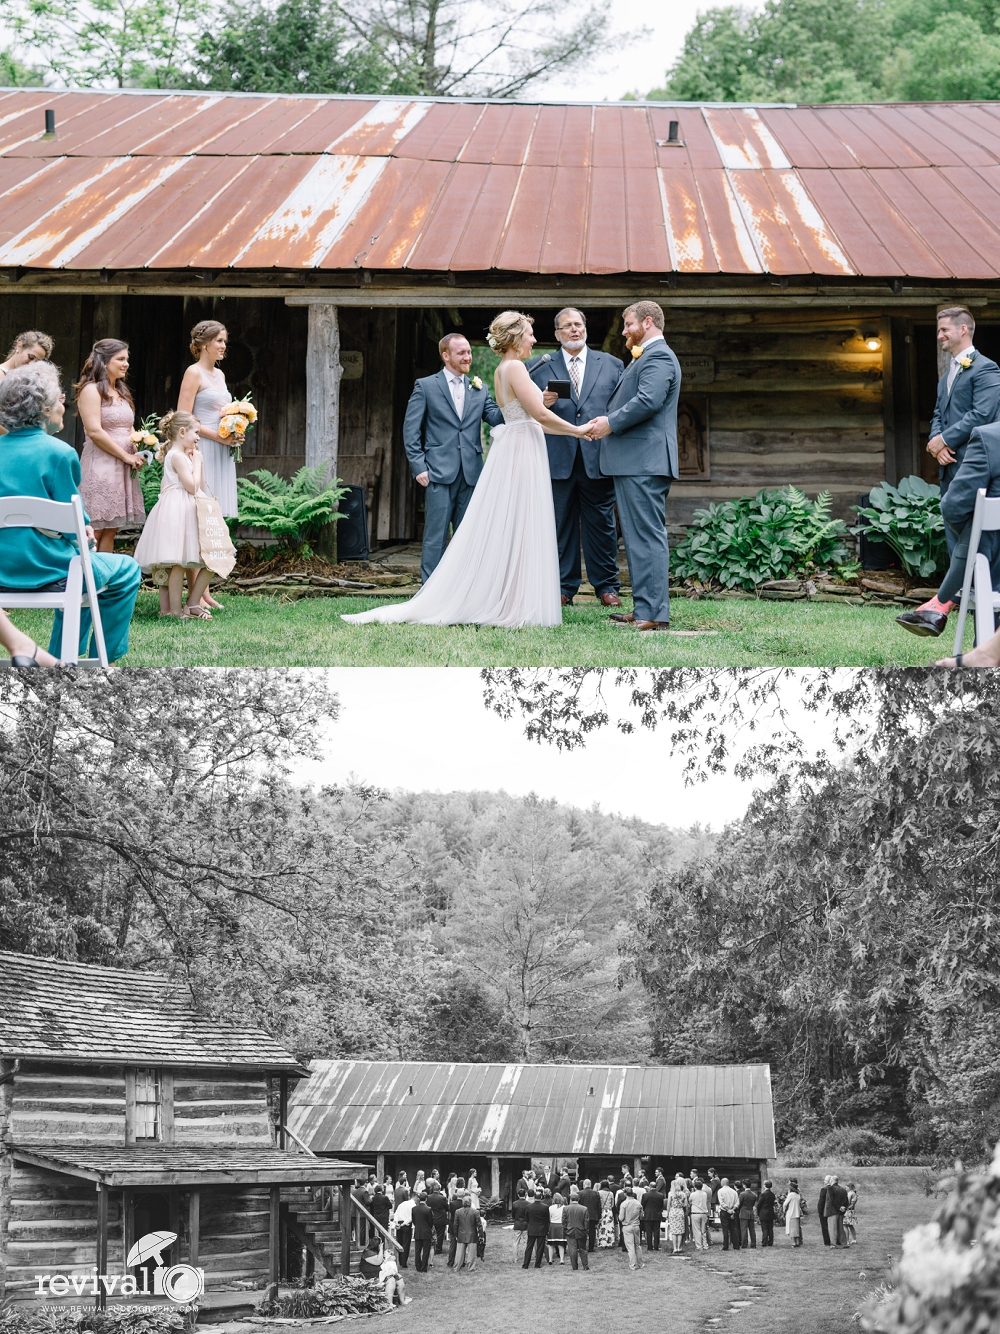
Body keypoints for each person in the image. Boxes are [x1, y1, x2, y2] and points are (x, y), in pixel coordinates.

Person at [342, 312, 595, 629]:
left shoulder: (499, 373)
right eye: (530, 333)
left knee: (512, 525)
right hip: (507, 453)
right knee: (515, 523)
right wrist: (578, 429)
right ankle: (505, 601)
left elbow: (519, 413)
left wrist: (541, 404)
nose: (533, 338)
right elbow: (540, 418)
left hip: (507, 450)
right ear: (516, 337)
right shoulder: (513, 367)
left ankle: (510, 598)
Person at [0, 361, 141, 664]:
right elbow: (74, 527)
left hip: (2, 571)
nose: (64, 406)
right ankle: (100, 658)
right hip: (51, 571)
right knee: (125, 570)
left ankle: (59, 655)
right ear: (44, 410)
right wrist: (86, 531)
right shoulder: (60, 453)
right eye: (60, 400)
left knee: (86, 565)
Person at [897, 307, 1000, 637]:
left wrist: (946, 438)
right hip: (951, 471)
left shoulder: (987, 369)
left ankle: (943, 609)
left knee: (982, 550)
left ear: (964, 330)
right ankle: (952, 615)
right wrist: (934, 442)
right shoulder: (947, 376)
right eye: (938, 330)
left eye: (944, 330)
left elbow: (982, 414)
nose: (939, 335)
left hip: (980, 472)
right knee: (967, 548)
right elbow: (938, 414)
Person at [587, 301, 680, 632]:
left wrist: (609, 423)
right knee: (638, 539)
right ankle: (644, 607)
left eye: (628, 324)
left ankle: (654, 613)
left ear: (648, 322)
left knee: (646, 537)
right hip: (634, 462)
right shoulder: (648, 356)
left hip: (644, 462)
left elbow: (648, 401)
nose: (624, 330)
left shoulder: (659, 356)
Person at [527, 308, 623, 608]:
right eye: (566, 326)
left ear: (585, 329)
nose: (574, 330)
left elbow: (620, 407)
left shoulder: (612, 364)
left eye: (578, 324)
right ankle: (562, 588)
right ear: (556, 334)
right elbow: (523, 411)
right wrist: (539, 401)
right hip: (556, 458)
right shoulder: (537, 366)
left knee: (603, 526)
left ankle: (607, 586)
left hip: (598, 458)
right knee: (559, 526)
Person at [909, 420, 1000, 651]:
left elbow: (954, 506)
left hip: (991, 567)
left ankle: (942, 602)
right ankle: (942, 602)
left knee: (982, 535)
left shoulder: (990, 437)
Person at [132, 411, 216, 620]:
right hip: (178, 512)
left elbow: (200, 487)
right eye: (196, 433)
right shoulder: (177, 456)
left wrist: (200, 463)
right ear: (181, 432)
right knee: (177, 561)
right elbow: (190, 487)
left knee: (208, 559)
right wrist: (196, 462)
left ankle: (190, 604)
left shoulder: (183, 456)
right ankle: (176, 611)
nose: (198, 437)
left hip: (186, 509)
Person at [76, 339, 145, 553]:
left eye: (127, 359)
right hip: (101, 464)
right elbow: (95, 431)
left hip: (123, 466)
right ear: (104, 362)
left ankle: (103, 579)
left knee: (111, 529)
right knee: (94, 528)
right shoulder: (91, 390)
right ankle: (84, 579)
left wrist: (139, 443)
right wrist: (126, 456)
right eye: (121, 359)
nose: (126, 364)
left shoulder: (121, 391)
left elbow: (128, 426)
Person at [522, 1190, 550, 1269]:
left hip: (532, 1228)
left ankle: (525, 1264)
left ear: (534, 1197)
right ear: (541, 1197)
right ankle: (537, 1264)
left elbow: (526, 1218)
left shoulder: (529, 1207)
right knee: (540, 1247)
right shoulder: (545, 1207)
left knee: (529, 1247)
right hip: (541, 1228)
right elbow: (547, 1219)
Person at [619, 1187, 644, 1271]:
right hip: (636, 1226)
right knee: (637, 1245)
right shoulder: (638, 1203)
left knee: (630, 1247)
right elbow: (641, 1216)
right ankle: (640, 1263)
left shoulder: (624, 1204)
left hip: (627, 1226)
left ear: (625, 1194)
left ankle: (633, 1264)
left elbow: (621, 1217)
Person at [563, 1194, 590, 1271]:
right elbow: (586, 1221)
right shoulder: (584, 1208)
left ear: (571, 1199)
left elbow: (564, 1221)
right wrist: (586, 1230)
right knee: (583, 1249)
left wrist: (565, 1230)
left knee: (572, 1250)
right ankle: (585, 1266)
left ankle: (574, 1267)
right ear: (579, 1199)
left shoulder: (566, 1208)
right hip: (581, 1231)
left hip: (570, 1231)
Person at [577, 1178, 601, 1252]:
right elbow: (598, 1206)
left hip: (582, 1215)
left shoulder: (579, 1193)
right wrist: (599, 1216)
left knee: (582, 1231)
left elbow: (578, 1205)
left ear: (584, 1185)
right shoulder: (596, 1193)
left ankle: (582, 1246)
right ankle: (591, 1247)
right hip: (593, 1215)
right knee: (592, 1231)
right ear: (590, 1185)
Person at [412, 1192, 434, 1271]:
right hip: (426, 1232)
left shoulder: (414, 1208)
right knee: (426, 1251)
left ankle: (418, 1266)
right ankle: (424, 1267)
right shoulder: (428, 1209)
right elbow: (431, 1222)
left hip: (418, 1231)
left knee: (417, 1251)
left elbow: (414, 1220)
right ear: (426, 1199)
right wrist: (428, 1228)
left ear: (419, 1199)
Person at [717, 1178, 740, 1251]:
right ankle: (736, 1245)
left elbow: (721, 1202)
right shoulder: (734, 1191)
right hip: (732, 1211)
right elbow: (737, 1202)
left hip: (724, 1211)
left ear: (722, 1183)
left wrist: (727, 1209)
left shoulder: (720, 1191)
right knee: (733, 1229)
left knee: (725, 1229)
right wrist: (733, 1209)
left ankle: (725, 1246)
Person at [427, 1179, 449, 1255]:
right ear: (439, 1189)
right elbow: (447, 1208)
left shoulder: (428, 1197)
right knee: (440, 1234)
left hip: (431, 1218)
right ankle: (438, 1249)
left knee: (431, 1233)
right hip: (440, 1218)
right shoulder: (442, 1198)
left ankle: (430, 1247)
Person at [393, 1191, 414, 1268]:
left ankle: (400, 1261)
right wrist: (402, 1224)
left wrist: (396, 1223)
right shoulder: (413, 1205)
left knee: (400, 1243)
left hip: (399, 1223)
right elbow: (411, 1218)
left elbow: (396, 1214)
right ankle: (404, 1262)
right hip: (406, 1225)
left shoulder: (401, 1204)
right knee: (406, 1244)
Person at [643, 1180, 665, 1251]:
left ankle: (649, 1247)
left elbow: (643, 1205)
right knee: (656, 1231)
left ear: (650, 1186)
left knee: (648, 1231)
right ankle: (656, 1247)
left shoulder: (645, 1195)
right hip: (657, 1214)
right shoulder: (661, 1195)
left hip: (648, 1215)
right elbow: (662, 1205)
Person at [689, 1178, 712, 1251]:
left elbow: (690, 1201)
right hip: (704, 1213)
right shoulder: (704, 1194)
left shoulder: (693, 1194)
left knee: (697, 1230)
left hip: (696, 1213)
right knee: (703, 1230)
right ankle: (705, 1245)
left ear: (695, 1187)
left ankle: (699, 1246)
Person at [665, 1179, 686, 1254]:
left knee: (674, 1231)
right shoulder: (683, 1194)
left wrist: (667, 1214)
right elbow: (685, 1204)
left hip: (673, 1211)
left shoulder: (670, 1194)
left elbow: (668, 1205)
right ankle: (679, 1247)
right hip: (680, 1211)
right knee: (680, 1231)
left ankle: (675, 1248)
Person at [826, 1175, 847, 1247]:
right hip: (841, 1212)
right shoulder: (843, 1189)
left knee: (832, 1228)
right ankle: (844, 1243)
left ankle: (833, 1244)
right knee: (841, 1228)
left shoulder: (830, 1188)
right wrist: (843, 1208)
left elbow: (832, 1200)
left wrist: (838, 1207)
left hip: (833, 1211)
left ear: (832, 1181)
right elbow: (846, 1201)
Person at [511, 1185, 530, 1265]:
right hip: (526, 1224)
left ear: (518, 1195)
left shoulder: (515, 1204)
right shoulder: (528, 1204)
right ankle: (526, 1257)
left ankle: (515, 1258)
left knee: (515, 1242)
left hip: (518, 1224)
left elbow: (513, 1215)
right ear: (525, 1194)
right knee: (526, 1242)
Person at [547, 1192, 567, 1264]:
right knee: (561, 1244)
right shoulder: (564, 1207)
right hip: (561, 1225)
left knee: (551, 1244)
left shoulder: (550, 1208)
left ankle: (550, 1259)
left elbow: (549, 1218)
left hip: (552, 1226)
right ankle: (561, 1260)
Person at [738, 1181, 758, 1250]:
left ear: (744, 1185)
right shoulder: (754, 1195)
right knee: (752, 1229)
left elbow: (739, 1204)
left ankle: (744, 1244)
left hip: (744, 1212)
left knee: (744, 1229)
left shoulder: (742, 1194)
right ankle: (753, 1244)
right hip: (751, 1212)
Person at [757, 1180, 777, 1248]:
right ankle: (770, 1242)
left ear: (765, 1185)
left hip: (764, 1212)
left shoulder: (763, 1194)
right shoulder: (772, 1194)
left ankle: (764, 1242)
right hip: (770, 1212)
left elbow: (759, 1204)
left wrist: (758, 1212)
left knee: (765, 1228)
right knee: (770, 1228)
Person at [784, 1179, 803, 1248]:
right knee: (796, 1228)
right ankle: (797, 1242)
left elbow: (785, 1204)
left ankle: (793, 1242)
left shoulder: (791, 1195)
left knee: (791, 1228)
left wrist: (784, 1210)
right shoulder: (798, 1195)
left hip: (791, 1212)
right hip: (797, 1213)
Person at [597, 1180, 615, 1248]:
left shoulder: (599, 1193)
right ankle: (610, 1241)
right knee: (609, 1227)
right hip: (609, 1211)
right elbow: (613, 1204)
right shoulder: (611, 1193)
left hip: (602, 1211)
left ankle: (602, 1242)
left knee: (602, 1227)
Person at [817, 1176, 832, 1247]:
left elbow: (821, 1201)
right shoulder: (834, 1188)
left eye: (825, 1180)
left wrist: (819, 1210)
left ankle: (827, 1241)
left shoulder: (824, 1189)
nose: (824, 1181)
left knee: (825, 1226)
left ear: (828, 1181)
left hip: (824, 1210)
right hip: (833, 1210)